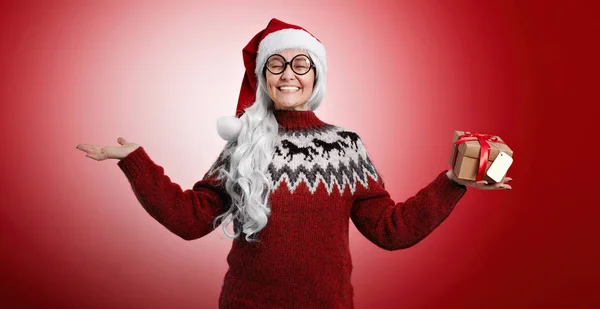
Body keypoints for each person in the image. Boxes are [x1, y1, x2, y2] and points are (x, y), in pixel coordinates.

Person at [76, 18, 513, 309]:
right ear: (264, 79)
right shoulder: (243, 145)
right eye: (276, 65)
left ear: (316, 75)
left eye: (300, 64)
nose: (288, 74)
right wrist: (134, 161)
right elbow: (190, 220)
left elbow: (391, 230)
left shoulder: (345, 146)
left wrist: (454, 182)